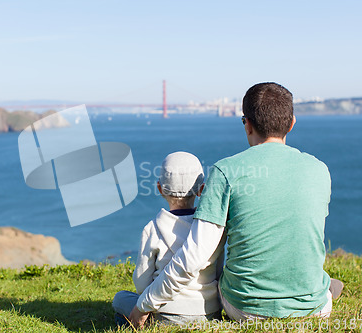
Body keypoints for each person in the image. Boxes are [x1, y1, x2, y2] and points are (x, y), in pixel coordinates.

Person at [129, 82, 341, 327]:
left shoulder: (226, 171)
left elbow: (194, 255)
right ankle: (321, 289)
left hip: (246, 309)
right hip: (314, 307)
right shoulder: (319, 170)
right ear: (292, 123)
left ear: (247, 125)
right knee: (319, 278)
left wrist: (144, 304)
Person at [112, 152, 225, 326]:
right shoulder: (210, 229)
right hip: (208, 310)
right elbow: (217, 272)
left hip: (166, 313)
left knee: (120, 298)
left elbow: (142, 282)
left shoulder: (153, 228)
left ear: (160, 189)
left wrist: (147, 301)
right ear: (201, 190)